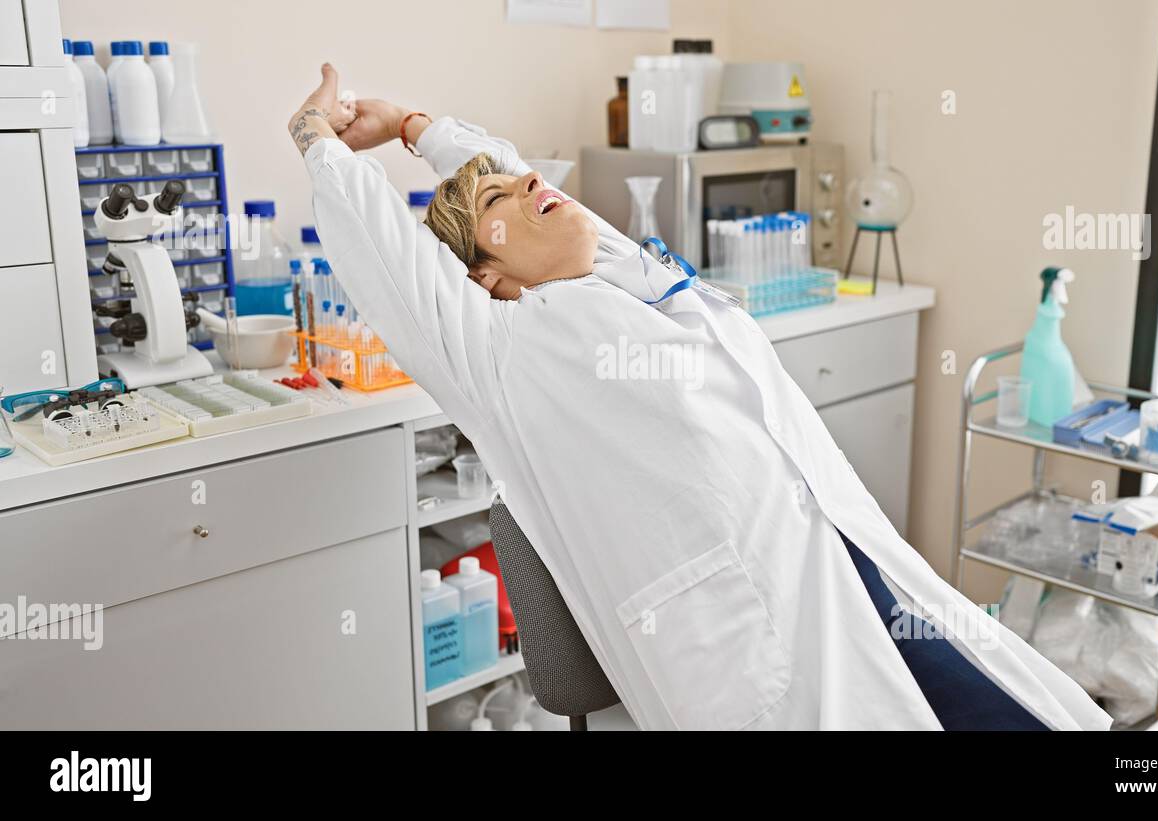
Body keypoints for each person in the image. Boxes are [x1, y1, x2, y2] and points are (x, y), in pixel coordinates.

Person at [288, 64, 1112, 731]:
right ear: (486, 277)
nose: (530, 183)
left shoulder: (622, 277)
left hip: (849, 568)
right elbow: (389, 258)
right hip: (759, 652)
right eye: (503, 201)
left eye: (523, 180)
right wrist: (319, 139)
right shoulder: (504, 349)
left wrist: (412, 126)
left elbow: (506, 169)